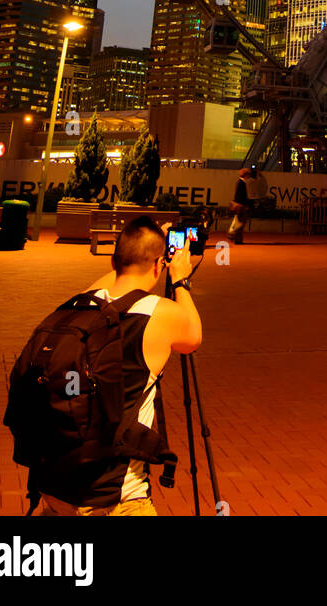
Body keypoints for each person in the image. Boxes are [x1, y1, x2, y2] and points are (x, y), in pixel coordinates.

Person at [33, 216, 202, 516]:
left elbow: (116, 276)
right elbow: (193, 337)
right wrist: (180, 279)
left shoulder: (81, 305)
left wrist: (140, 249)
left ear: (113, 261)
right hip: (116, 500)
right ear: (157, 266)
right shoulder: (158, 314)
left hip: (56, 491)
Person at [228, 167, 254, 244]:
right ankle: (232, 234)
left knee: (238, 221)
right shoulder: (241, 183)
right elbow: (240, 196)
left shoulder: (240, 182)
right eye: (249, 175)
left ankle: (236, 237)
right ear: (246, 175)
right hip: (241, 205)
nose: (249, 176)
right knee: (240, 222)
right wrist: (243, 205)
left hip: (239, 205)